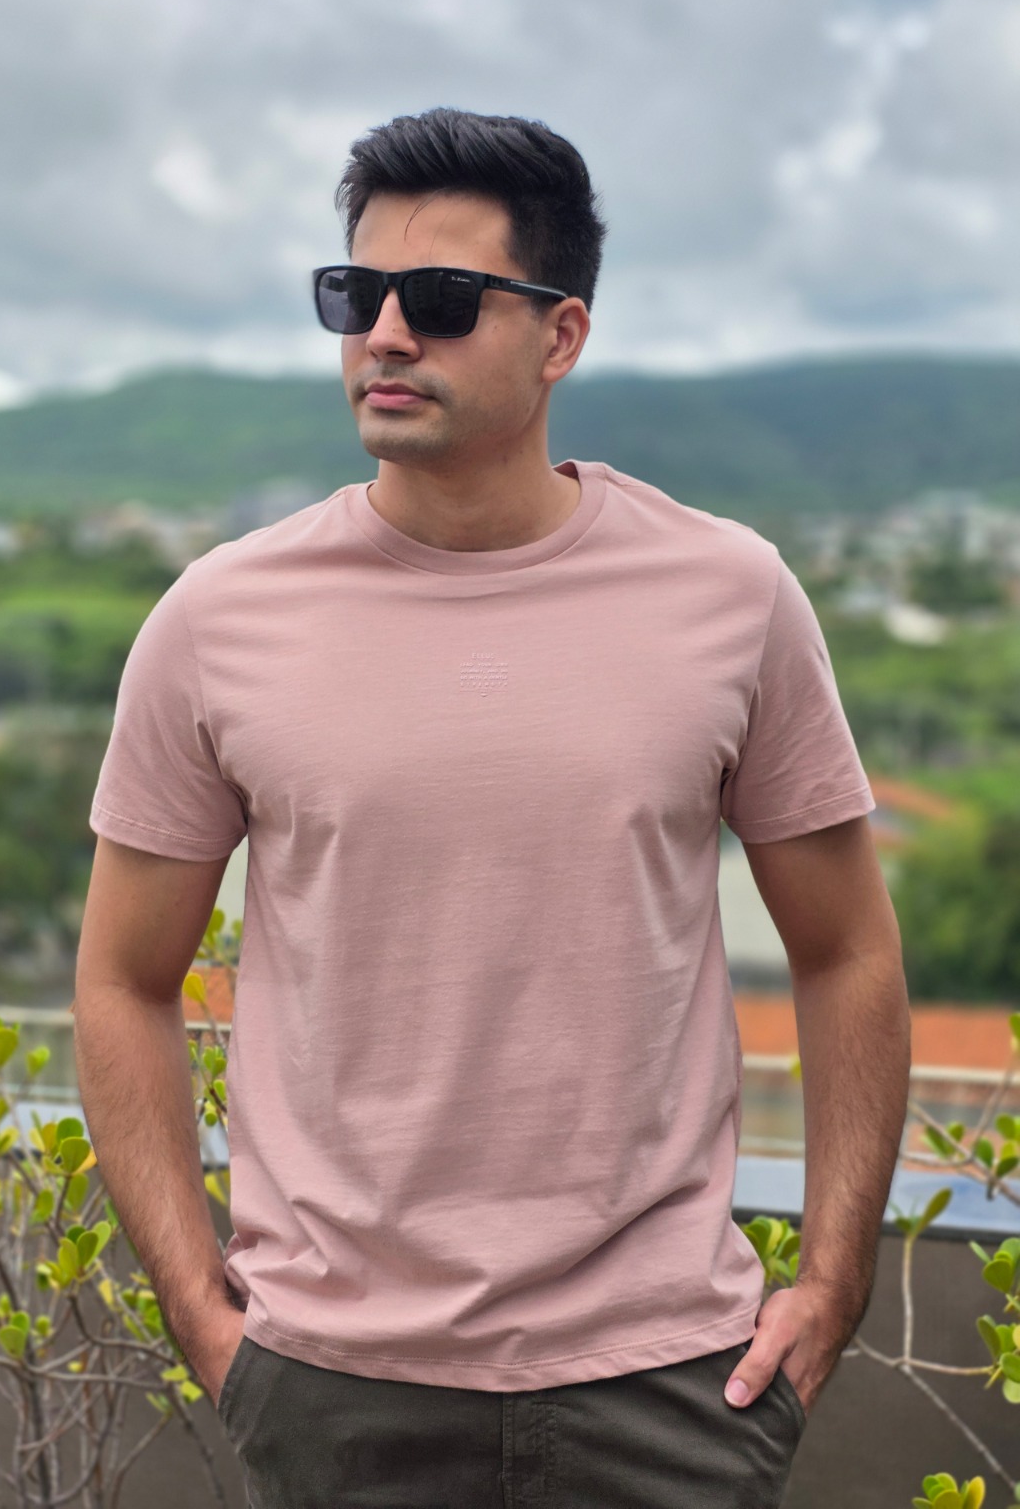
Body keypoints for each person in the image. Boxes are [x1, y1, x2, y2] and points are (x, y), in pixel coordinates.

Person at [74, 107, 911, 1507]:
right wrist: (204, 1316)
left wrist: (834, 1281)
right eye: (356, 294)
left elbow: (846, 951)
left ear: (561, 334)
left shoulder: (731, 596)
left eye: (445, 299)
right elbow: (120, 980)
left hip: (669, 1384)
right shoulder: (218, 620)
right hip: (334, 1385)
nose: (387, 334)